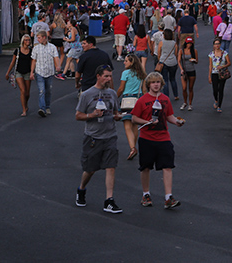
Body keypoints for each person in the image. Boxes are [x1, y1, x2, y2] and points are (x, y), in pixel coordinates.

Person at [131, 72, 185, 209]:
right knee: (145, 167)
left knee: (167, 166)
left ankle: (168, 197)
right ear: (148, 84)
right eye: (153, 82)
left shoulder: (165, 99)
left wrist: (177, 122)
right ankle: (146, 194)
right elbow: (134, 118)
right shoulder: (142, 100)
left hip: (163, 138)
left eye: (158, 82)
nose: (156, 84)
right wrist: (146, 122)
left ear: (161, 84)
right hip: (146, 138)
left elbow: (169, 116)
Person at [75, 65, 123, 213]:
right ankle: (81, 189)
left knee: (111, 167)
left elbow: (116, 111)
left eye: (110, 76)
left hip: (110, 136)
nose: (109, 79)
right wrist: (92, 115)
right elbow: (78, 115)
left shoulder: (112, 94)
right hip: (93, 137)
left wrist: (118, 116)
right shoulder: (87, 95)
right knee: (90, 170)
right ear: (98, 76)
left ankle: (109, 200)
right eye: (106, 76)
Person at [117, 54, 146, 161]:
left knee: (127, 125)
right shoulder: (141, 74)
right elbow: (144, 90)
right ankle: (133, 146)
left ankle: (132, 148)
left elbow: (121, 88)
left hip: (127, 101)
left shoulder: (125, 73)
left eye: (126, 61)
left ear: (131, 62)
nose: (124, 62)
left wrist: (114, 98)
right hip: (138, 101)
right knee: (135, 125)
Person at [30, 30, 62, 118]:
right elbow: (34, 60)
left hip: (49, 72)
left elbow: (56, 57)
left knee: (48, 90)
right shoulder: (36, 48)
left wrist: (57, 66)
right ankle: (42, 108)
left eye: (39, 37)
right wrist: (32, 72)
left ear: (44, 37)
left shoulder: (52, 47)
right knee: (41, 91)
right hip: (39, 72)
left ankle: (47, 106)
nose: (37, 39)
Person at [5, 34, 33, 117]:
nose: (27, 42)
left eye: (29, 40)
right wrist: (8, 72)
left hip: (27, 72)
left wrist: (32, 72)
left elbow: (32, 62)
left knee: (27, 93)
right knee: (23, 90)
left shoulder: (31, 51)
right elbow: (13, 62)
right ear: (23, 41)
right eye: (26, 40)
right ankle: (24, 109)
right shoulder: (17, 51)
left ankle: (26, 103)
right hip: (19, 72)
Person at [155, 28, 180, 101]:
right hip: (173, 62)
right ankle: (176, 95)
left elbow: (159, 53)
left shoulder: (161, 42)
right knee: (173, 79)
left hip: (164, 62)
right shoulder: (174, 43)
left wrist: (160, 60)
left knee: (165, 80)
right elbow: (176, 53)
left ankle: (166, 96)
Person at [208, 39, 231, 113]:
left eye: (218, 43)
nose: (217, 45)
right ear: (213, 45)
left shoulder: (224, 53)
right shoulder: (211, 54)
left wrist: (223, 66)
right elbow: (210, 66)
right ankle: (216, 100)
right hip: (214, 73)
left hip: (222, 73)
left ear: (220, 45)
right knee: (215, 89)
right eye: (215, 44)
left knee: (221, 89)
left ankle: (219, 106)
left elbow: (229, 63)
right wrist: (209, 75)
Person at [177, 37, 198, 111]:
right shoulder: (181, 51)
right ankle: (185, 102)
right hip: (184, 71)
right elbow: (179, 61)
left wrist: (194, 60)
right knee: (184, 88)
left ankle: (190, 104)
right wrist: (181, 69)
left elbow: (197, 61)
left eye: (190, 43)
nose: (189, 45)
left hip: (191, 70)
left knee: (190, 88)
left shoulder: (194, 51)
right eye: (188, 43)